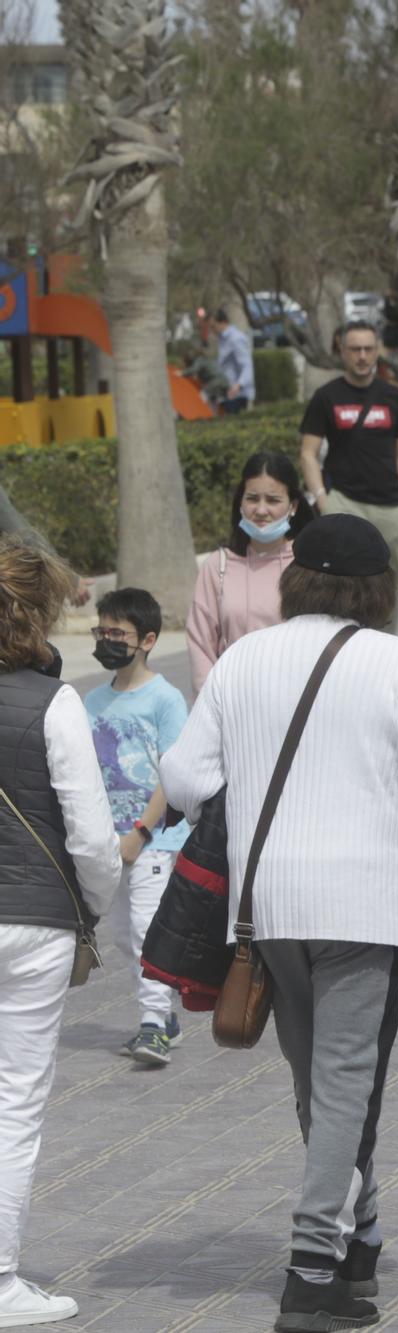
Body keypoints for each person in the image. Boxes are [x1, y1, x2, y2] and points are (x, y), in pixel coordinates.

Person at [161, 515, 398, 1330]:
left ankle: (360, 1243)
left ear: (295, 576)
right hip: (362, 906)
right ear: (378, 587)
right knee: (344, 1086)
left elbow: (185, 772)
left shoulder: (244, 659)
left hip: (266, 907)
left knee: (321, 1087)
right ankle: (310, 1271)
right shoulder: (397, 662)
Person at [0, 536, 120, 1328]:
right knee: (14, 1101)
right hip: (35, 917)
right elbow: (90, 836)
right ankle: (2, 1279)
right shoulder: (55, 702)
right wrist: (97, 907)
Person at [82, 587, 190, 1065]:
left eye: (117, 633)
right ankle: (164, 1014)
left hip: (154, 840)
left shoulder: (165, 699)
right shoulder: (91, 700)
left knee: (146, 930)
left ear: (147, 640)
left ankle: (152, 1027)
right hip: (108, 841)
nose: (107, 640)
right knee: (124, 935)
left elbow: (172, 773)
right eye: (101, 631)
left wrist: (141, 833)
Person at [187, 452, 315, 695]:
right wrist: (210, 707)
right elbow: (200, 646)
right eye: (252, 498)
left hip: (294, 703)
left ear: (293, 505)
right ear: (240, 502)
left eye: (273, 500)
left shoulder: (309, 565)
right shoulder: (217, 566)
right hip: (231, 705)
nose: (261, 509)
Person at [299, 320, 398, 555]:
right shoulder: (326, 396)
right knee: (344, 583)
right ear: (342, 351)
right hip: (344, 502)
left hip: (390, 506)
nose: (362, 356)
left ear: (377, 351)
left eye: (369, 349)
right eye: (355, 349)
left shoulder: (394, 396)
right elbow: (307, 453)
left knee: (388, 585)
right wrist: (323, 500)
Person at [213, 307, 256, 414]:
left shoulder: (235, 338)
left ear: (222, 322)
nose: (212, 330)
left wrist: (238, 385)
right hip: (226, 393)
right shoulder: (223, 339)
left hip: (236, 394)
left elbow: (246, 365)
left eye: (213, 326)